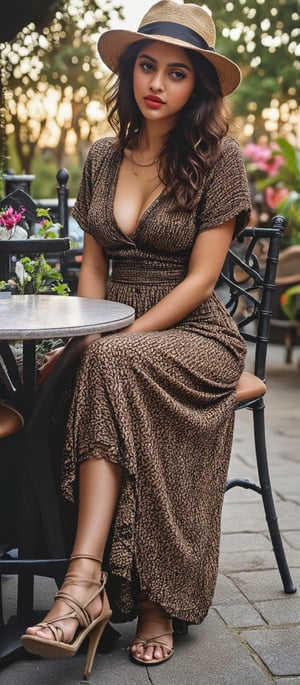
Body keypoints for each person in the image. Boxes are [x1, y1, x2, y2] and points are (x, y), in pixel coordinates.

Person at [22, 0, 251, 677]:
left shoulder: (221, 160)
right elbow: (94, 266)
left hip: (193, 333)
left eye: (177, 73)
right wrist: (86, 330)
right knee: (72, 372)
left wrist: (110, 336)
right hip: (116, 327)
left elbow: (201, 281)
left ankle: (99, 586)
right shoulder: (100, 156)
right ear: (128, 75)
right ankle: (103, 585)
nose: (157, 83)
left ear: (197, 87)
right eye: (146, 66)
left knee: (108, 361)